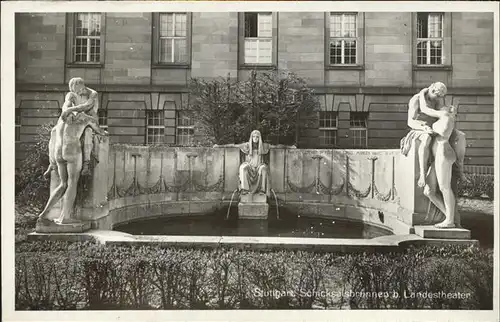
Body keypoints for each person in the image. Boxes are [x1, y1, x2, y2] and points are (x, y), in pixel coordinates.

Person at [38, 78, 107, 225]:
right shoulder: (84, 117)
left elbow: (52, 137)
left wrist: (51, 163)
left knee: (62, 184)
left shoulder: (60, 122)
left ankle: (44, 214)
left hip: (58, 152)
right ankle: (65, 217)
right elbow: (99, 130)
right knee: (72, 183)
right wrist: (101, 131)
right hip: (72, 150)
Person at [417, 88, 464, 228]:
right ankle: (450, 217)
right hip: (439, 154)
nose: (441, 105)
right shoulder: (446, 117)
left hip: (443, 152)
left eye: (445, 106)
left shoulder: (444, 115)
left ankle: (449, 221)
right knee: (429, 191)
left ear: (449, 110)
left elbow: (425, 109)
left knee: (444, 187)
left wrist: (421, 93)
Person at [43, 77, 106, 179]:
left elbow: (86, 106)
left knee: (88, 133)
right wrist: (67, 111)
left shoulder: (93, 94)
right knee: (54, 131)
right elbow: (66, 105)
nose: (75, 93)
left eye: (77, 90)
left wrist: (70, 110)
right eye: (73, 91)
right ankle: (52, 163)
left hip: (89, 119)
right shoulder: (71, 94)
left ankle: (86, 163)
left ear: (81, 86)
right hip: (76, 118)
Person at [214, 130, 295, 197]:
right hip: (249, 166)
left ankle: (262, 190)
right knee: (243, 167)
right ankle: (244, 189)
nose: (255, 138)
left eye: (257, 137)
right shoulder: (246, 145)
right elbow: (234, 146)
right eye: (254, 136)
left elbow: (276, 146)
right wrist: (219, 146)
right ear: (251, 137)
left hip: (259, 166)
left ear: (259, 138)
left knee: (264, 168)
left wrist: (290, 147)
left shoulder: (264, 146)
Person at [400, 82, 447, 188]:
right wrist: (423, 128)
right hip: (419, 129)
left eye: (440, 97)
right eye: (437, 96)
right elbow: (410, 122)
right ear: (432, 90)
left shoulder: (436, 100)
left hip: (434, 129)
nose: (438, 99)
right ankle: (422, 174)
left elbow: (441, 114)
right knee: (426, 138)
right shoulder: (416, 99)